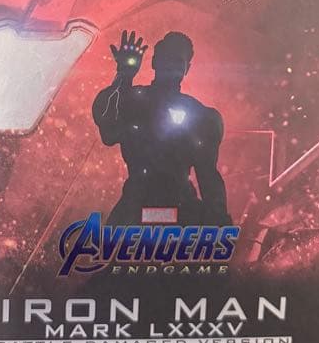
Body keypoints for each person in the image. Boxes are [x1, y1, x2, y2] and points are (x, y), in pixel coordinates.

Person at [93, 29, 231, 226]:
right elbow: (108, 130)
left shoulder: (200, 115)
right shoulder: (134, 101)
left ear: (187, 68)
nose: (171, 67)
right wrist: (124, 75)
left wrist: (219, 222)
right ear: (155, 61)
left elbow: (208, 176)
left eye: (177, 61)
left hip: (176, 208)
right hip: (138, 206)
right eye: (167, 58)